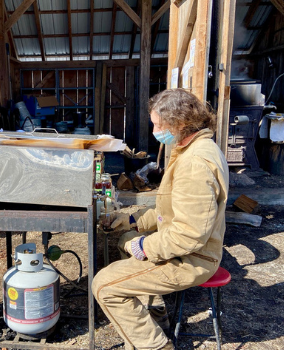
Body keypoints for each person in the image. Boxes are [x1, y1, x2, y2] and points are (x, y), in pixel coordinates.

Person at [92, 89, 230, 350]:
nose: (154, 129)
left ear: (179, 123)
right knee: (126, 239)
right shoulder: (193, 149)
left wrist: (144, 247)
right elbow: (169, 211)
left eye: (157, 124)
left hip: (192, 259)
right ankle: (157, 316)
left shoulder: (195, 163)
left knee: (103, 286)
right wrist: (132, 220)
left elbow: (188, 234)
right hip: (191, 251)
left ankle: (156, 346)